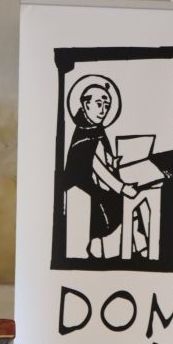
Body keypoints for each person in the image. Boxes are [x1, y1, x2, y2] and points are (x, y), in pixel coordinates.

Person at [64, 83, 139, 258]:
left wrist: (112, 161)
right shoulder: (84, 134)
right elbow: (97, 167)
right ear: (86, 104)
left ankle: (128, 245)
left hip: (95, 185)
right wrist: (122, 188)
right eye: (99, 104)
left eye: (107, 105)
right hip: (82, 187)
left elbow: (101, 156)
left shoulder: (96, 128)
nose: (103, 110)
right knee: (116, 204)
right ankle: (104, 250)